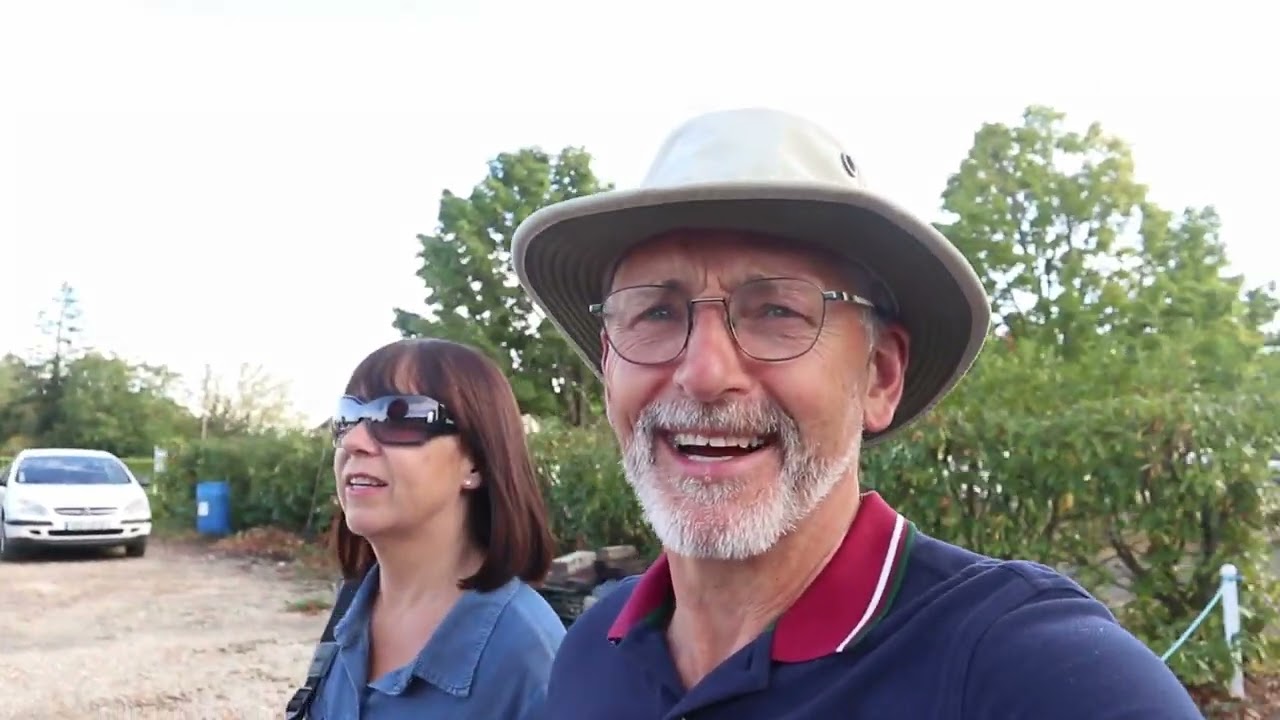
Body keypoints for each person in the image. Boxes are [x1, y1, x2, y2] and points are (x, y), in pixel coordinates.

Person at [510, 109, 1204, 718]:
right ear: (608, 369)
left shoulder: (1026, 674)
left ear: (880, 374)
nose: (703, 372)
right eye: (657, 313)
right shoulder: (592, 652)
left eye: (777, 311)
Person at [308, 338, 565, 719]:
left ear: (475, 462)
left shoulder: (528, 656)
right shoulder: (352, 611)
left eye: (398, 418)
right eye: (348, 416)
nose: (354, 439)